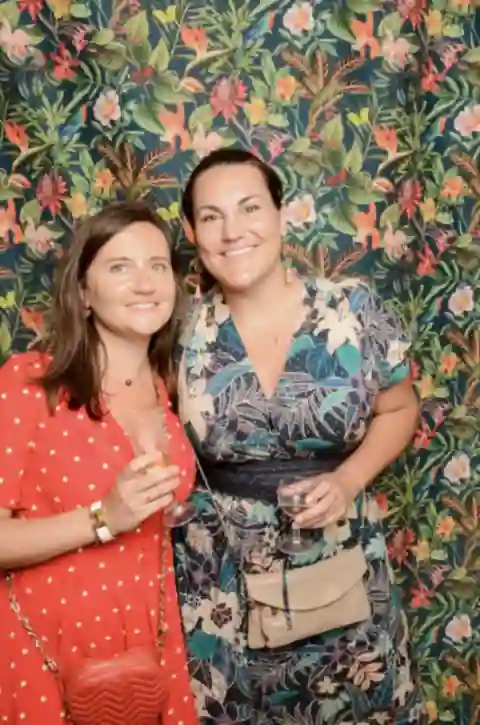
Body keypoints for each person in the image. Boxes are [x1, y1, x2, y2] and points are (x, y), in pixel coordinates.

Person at [174, 148, 426, 724]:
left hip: (342, 568)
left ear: (282, 215)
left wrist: (348, 479)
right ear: (192, 232)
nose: (232, 231)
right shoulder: (179, 328)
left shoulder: (352, 308)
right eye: (211, 216)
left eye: (249, 208)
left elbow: (400, 407)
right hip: (221, 581)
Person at [0, 201, 198, 725]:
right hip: (43, 647)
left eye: (158, 265)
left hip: (148, 645)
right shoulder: (29, 384)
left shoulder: (171, 392)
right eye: (120, 266)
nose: (145, 282)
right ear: (84, 294)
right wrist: (102, 518)